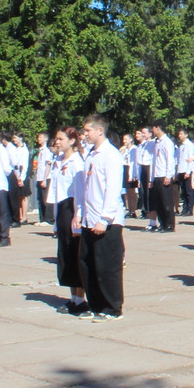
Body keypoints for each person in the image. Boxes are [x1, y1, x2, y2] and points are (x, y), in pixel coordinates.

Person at [76, 115, 127, 321]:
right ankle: (96, 304)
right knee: (88, 264)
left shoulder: (111, 155)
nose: (85, 134)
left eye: (88, 131)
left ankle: (112, 308)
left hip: (107, 221)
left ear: (99, 131)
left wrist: (104, 219)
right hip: (90, 218)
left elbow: (113, 189)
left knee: (107, 267)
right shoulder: (90, 154)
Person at [51, 127, 89, 314]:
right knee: (65, 254)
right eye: (56, 139)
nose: (57, 142)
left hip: (72, 208)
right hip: (61, 208)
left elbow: (80, 191)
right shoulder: (58, 161)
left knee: (75, 254)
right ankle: (73, 297)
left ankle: (80, 299)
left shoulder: (76, 161)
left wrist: (77, 215)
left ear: (72, 141)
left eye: (61, 139)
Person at [147, 122, 178, 233]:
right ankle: (163, 223)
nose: (152, 131)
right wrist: (151, 178)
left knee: (166, 202)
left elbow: (170, 160)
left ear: (157, 128)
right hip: (156, 175)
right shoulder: (157, 143)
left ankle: (169, 224)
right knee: (158, 202)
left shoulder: (167, 142)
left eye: (153, 128)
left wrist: (168, 175)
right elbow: (154, 161)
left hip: (164, 175)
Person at [176, 127, 194, 217]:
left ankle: (190, 209)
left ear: (186, 134)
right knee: (183, 191)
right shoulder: (181, 146)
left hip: (186, 170)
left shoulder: (189, 145)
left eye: (181, 134)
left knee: (188, 191)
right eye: (179, 134)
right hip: (181, 169)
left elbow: (190, 159)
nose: (179, 136)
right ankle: (185, 209)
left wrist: (188, 172)